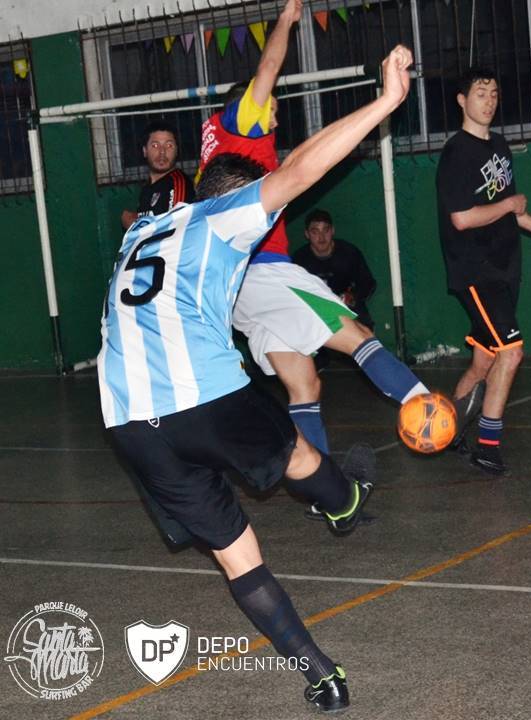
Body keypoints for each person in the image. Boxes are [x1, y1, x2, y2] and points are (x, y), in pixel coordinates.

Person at [98, 45, 414, 712]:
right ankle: (344, 501)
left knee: (238, 558)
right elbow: (300, 169)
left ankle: (322, 676)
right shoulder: (221, 217)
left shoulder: (140, 234)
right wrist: (385, 102)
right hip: (203, 396)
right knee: (297, 455)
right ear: (243, 202)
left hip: (128, 423)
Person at [198, 0, 436, 464]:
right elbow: (268, 67)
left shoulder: (213, 144)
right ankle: (424, 404)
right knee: (356, 334)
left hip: (233, 290)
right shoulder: (244, 128)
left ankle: (321, 486)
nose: (275, 118)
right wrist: (287, 20)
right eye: (271, 109)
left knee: (304, 384)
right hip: (265, 271)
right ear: (246, 106)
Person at [436, 68, 531, 475]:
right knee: (511, 352)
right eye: (481, 93)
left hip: (505, 266)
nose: (489, 100)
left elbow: (509, 206)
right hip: (476, 271)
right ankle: (488, 446)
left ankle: (447, 432)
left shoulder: (499, 145)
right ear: (462, 101)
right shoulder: (456, 153)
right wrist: (510, 206)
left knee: (484, 361)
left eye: (494, 93)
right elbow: (462, 218)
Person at [293, 208, 377, 329]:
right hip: (316, 315)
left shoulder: (349, 253)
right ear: (307, 234)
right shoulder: (299, 259)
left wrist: (352, 297)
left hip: (348, 310)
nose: (321, 237)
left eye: (326, 230)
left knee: (363, 327)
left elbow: (368, 283)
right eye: (315, 232)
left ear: (332, 231)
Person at [121, 121, 194, 229]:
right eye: (155, 145)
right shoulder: (147, 188)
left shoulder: (178, 183)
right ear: (145, 151)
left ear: (176, 151)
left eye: (169, 145)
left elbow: (174, 228)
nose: (162, 152)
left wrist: (133, 225)